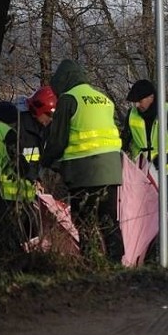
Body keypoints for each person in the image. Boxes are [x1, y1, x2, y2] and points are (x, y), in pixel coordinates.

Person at [40, 59, 124, 262]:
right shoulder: (104, 99)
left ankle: (90, 259)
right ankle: (115, 261)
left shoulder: (69, 99)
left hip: (84, 171)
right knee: (109, 219)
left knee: (83, 218)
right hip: (112, 169)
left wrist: (44, 162)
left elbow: (58, 140)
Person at [121, 79, 168, 261]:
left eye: (139, 100)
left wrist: (161, 161)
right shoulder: (132, 115)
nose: (136, 104)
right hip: (142, 174)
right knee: (144, 218)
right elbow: (124, 141)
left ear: (151, 97)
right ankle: (147, 259)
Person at [0, 86, 57, 204]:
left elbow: (34, 161)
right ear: (39, 110)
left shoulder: (40, 131)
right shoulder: (19, 128)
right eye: (48, 114)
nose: (50, 119)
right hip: (9, 196)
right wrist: (32, 178)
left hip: (27, 195)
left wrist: (36, 179)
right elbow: (17, 159)